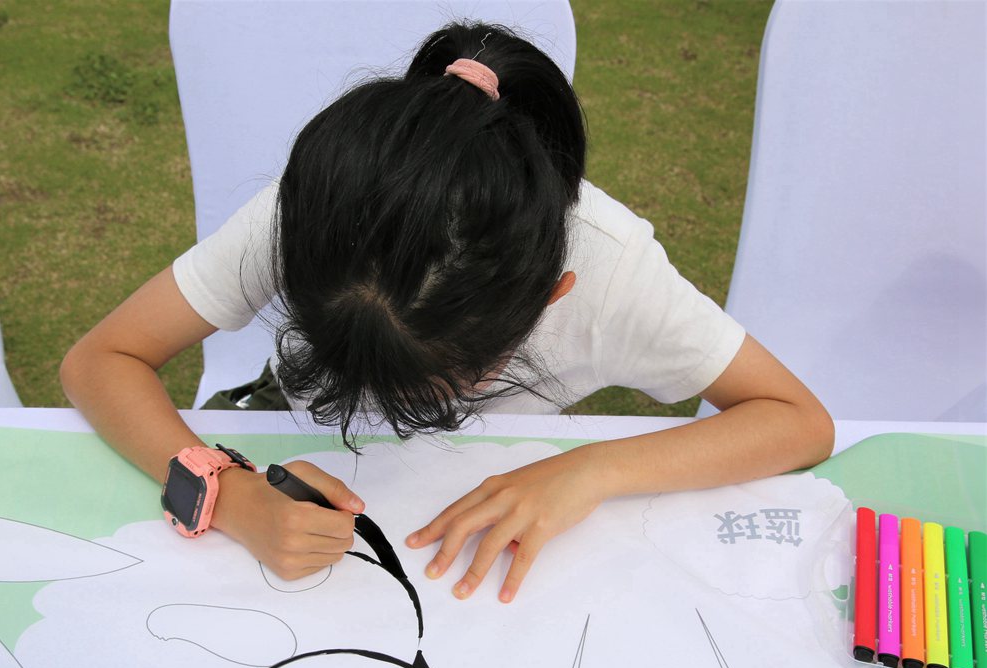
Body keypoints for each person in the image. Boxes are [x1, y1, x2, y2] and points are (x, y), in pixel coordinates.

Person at [61, 21, 833, 604]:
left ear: (550, 296)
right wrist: (226, 494)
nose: (385, 397)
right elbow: (101, 360)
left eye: (434, 384)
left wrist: (593, 470)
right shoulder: (316, 212)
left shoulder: (613, 269)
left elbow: (797, 420)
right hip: (292, 446)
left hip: (495, 492)